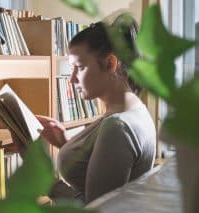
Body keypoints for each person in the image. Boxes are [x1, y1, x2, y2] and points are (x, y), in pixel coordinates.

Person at [36, 14, 156, 204]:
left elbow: (95, 207)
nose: (72, 78)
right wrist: (65, 143)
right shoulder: (133, 110)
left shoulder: (118, 127)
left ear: (110, 64)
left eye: (80, 67)